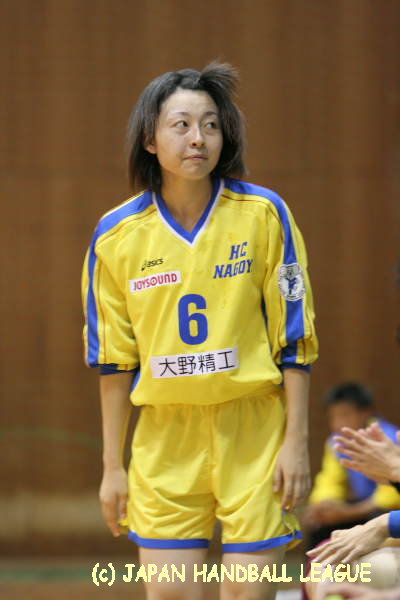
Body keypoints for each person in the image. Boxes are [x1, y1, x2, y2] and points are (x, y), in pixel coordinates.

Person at [81, 62, 318, 600]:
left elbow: (295, 340)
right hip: (166, 438)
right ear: (149, 140)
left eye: (211, 125)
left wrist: (297, 443)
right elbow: (114, 362)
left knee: (246, 593)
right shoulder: (115, 236)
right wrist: (112, 467)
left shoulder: (263, 214)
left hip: (254, 432)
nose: (198, 138)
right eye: (182, 125)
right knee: (172, 594)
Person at [303, 383, 400, 550]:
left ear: (366, 412)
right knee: (318, 523)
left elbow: (391, 497)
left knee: (378, 516)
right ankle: (318, 567)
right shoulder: (336, 442)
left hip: (387, 511)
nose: (338, 424)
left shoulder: (388, 438)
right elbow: (330, 480)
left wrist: (348, 513)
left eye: (345, 415)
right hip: (363, 506)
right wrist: (324, 504)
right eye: (333, 417)